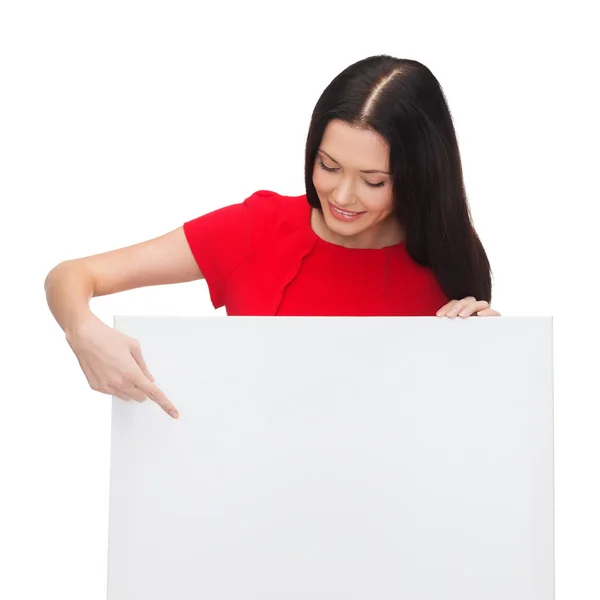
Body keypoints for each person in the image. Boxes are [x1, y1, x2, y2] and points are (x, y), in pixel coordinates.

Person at [44, 55, 501, 420]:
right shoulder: (257, 229)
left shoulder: (444, 265)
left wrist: (486, 348)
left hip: (387, 517)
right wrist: (80, 328)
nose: (341, 195)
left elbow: (459, 427)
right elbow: (73, 274)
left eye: (373, 181)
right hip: (248, 503)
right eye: (328, 166)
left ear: (419, 176)